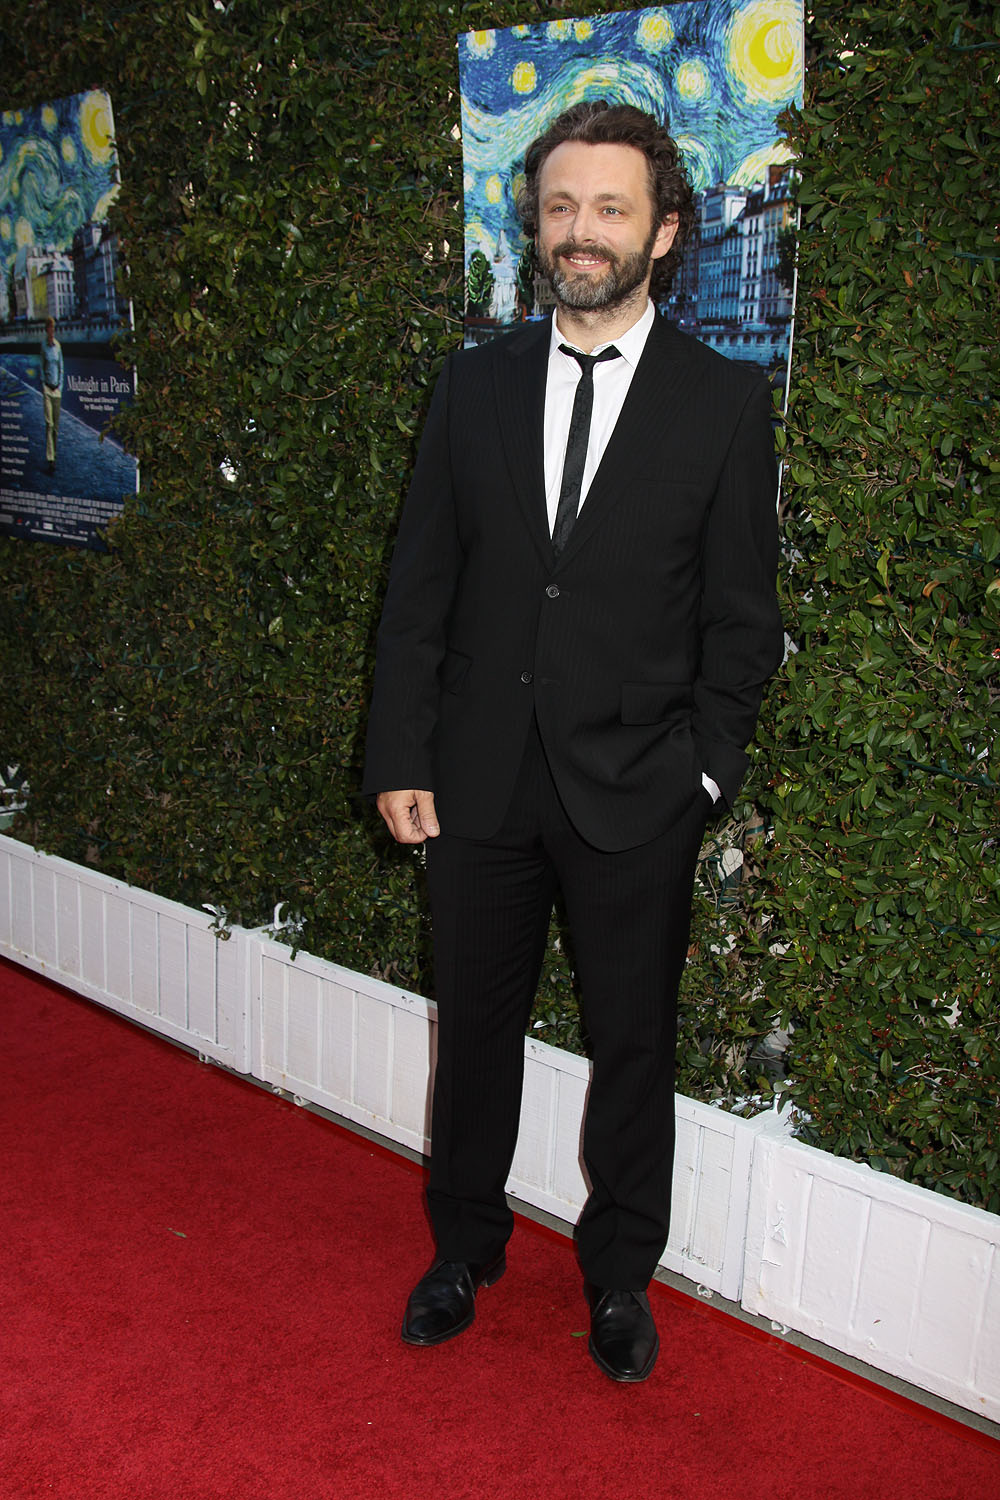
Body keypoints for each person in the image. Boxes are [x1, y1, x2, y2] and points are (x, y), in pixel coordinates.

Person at [363, 101, 783, 1382]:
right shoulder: (473, 384)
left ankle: (618, 1276)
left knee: (633, 1046)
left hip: (638, 788)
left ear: (664, 231)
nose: (579, 231)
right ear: (534, 227)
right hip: (477, 780)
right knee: (472, 1035)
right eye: (558, 207)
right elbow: (419, 590)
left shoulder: (722, 401)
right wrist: (400, 754)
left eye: (608, 207)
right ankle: (462, 1250)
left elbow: (741, 618)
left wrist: (703, 772)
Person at [39, 318, 64, 474]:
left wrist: (60, 387)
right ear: (46, 329)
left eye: (54, 328)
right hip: (48, 389)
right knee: (49, 424)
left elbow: (61, 368)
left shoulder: (58, 346)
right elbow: (41, 367)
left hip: (57, 390)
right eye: (50, 328)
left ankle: (54, 454)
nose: (52, 330)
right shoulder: (43, 347)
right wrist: (43, 385)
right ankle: (50, 458)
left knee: (56, 427)